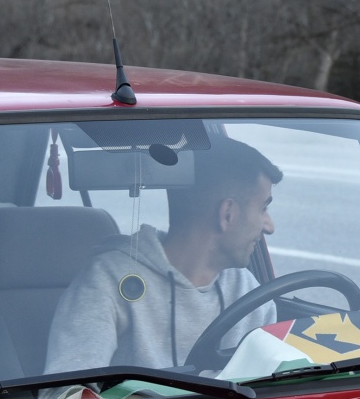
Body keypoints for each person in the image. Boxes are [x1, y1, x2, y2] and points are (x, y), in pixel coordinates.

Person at [46, 138, 281, 373]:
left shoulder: (248, 291)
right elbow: (69, 391)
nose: (269, 227)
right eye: (263, 208)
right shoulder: (108, 280)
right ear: (227, 214)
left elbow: (274, 382)